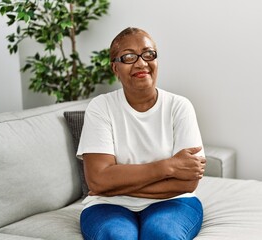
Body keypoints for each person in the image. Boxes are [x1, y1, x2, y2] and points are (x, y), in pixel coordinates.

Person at [77, 27, 206, 240]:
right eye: (129, 56)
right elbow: (98, 181)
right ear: (115, 68)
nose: (141, 63)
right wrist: (168, 166)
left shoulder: (179, 106)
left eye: (148, 54)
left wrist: (116, 185)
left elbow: (188, 182)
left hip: (175, 201)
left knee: (161, 234)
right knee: (117, 236)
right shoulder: (101, 107)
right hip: (107, 205)